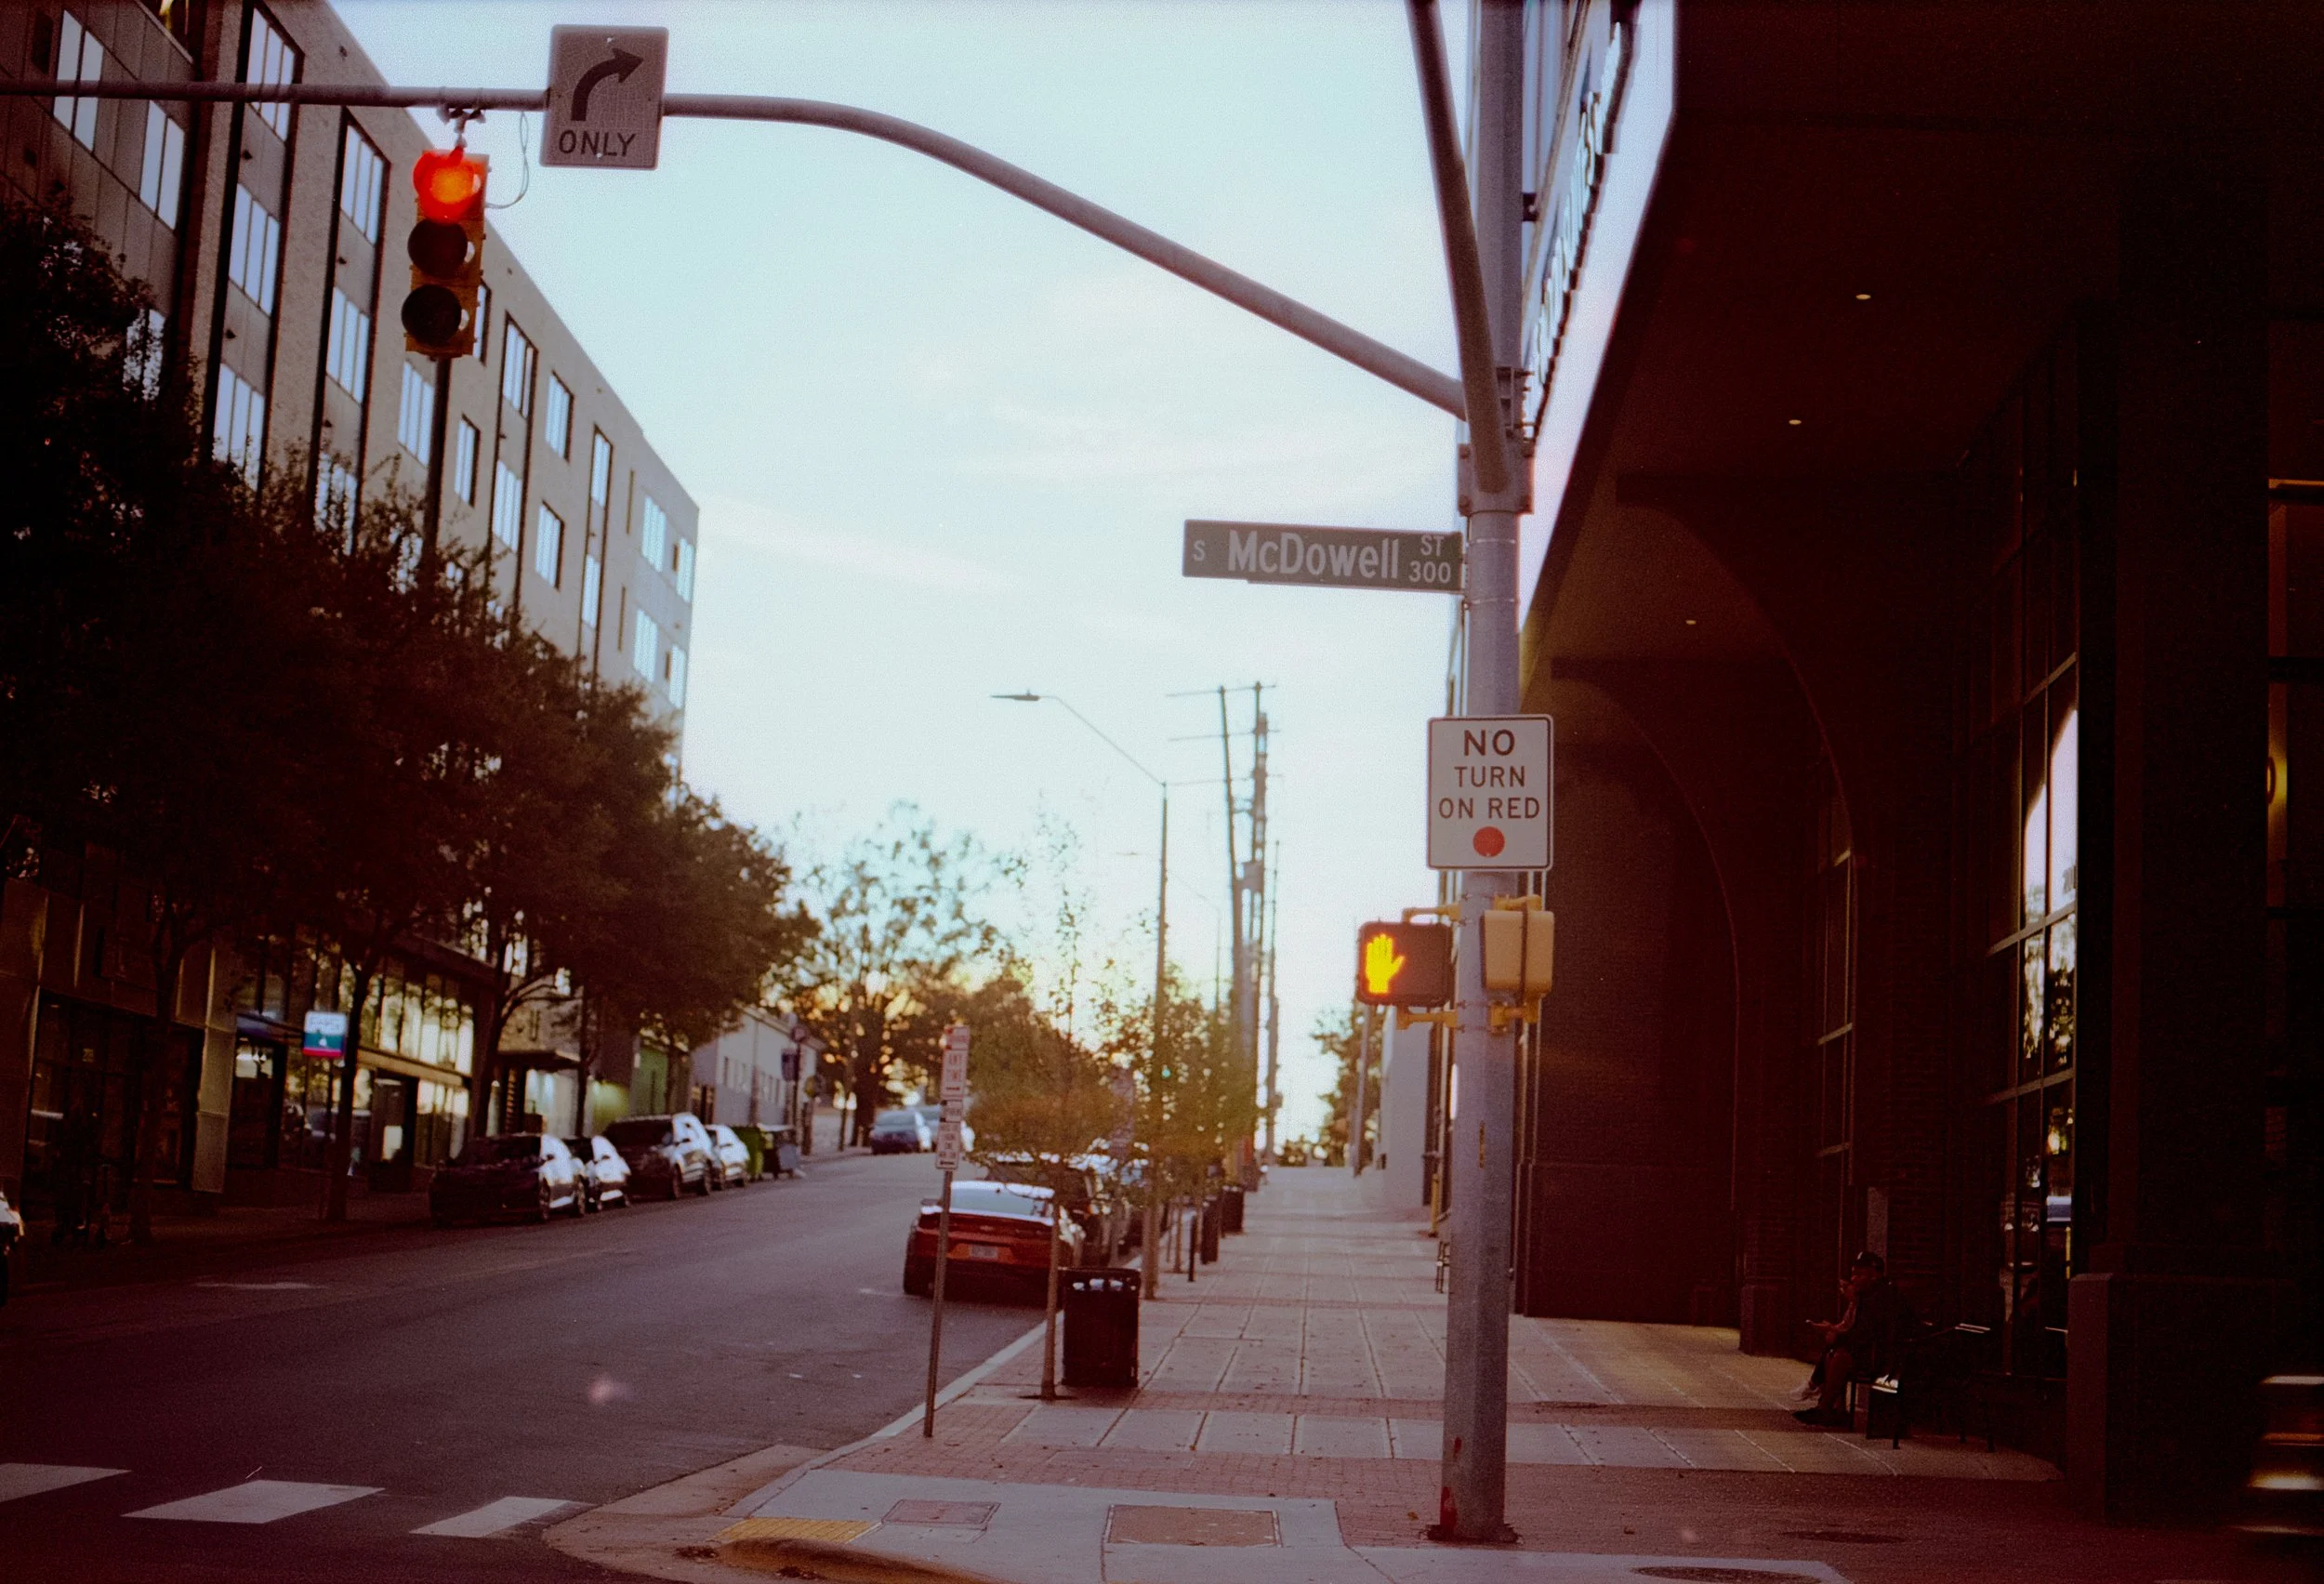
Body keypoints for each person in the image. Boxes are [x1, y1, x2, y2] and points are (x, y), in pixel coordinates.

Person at [1795, 1251, 1912, 1428]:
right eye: (1853, 1274)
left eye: (1860, 1274)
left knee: (1841, 1357)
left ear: (1875, 1275)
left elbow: (1868, 1334)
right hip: (1874, 1351)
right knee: (1834, 1354)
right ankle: (1835, 1408)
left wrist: (1837, 1334)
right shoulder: (1867, 1297)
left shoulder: (1881, 1298)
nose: (1854, 1279)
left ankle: (1824, 1407)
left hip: (1886, 1357)